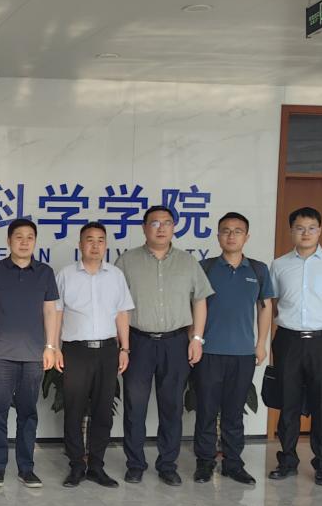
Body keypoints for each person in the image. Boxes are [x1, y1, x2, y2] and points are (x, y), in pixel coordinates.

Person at [115, 205, 213, 487]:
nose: (161, 228)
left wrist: (196, 339)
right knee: (135, 406)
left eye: (167, 223)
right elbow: (118, 305)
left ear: (174, 227)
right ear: (144, 228)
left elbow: (200, 300)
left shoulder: (188, 262)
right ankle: (135, 464)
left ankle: (167, 465)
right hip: (138, 342)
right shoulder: (127, 261)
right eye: (155, 223)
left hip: (176, 343)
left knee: (172, 407)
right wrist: (123, 346)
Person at [268, 207, 322, 487]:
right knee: (288, 403)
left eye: (311, 228)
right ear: (291, 231)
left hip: (321, 342)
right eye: (300, 228)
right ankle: (287, 461)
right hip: (288, 341)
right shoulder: (279, 265)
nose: (306, 233)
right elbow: (275, 303)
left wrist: (316, 322)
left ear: (320, 230)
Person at [193, 212, 274, 485]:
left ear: (246, 237)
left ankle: (233, 464)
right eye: (225, 230)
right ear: (218, 236)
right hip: (209, 353)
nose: (231, 235)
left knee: (234, 412)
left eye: (237, 231)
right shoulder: (205, 268)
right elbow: (194, 306)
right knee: (206, 411)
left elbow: (265, 308)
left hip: (243, 354)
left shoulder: (258, 270)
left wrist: (261, 344)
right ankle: (205, 463)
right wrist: (195, 341)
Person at [0, 218, 58, 488]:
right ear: (9, 241)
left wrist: (50, 346)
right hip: (0, 354)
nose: (24, 242)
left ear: (35, 242)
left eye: (30, 237)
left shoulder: (45, 273)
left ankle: (26, 468)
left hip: (33, 355)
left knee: (28, 413)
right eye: (19, 237)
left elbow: (50, 311)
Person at [53, 221, 134, 489]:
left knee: (103, 411)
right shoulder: (66, 275)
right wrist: (54, 347)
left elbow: (122, 313)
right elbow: (56, 314)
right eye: (90, 240)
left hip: (108, 351)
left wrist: (125, 348)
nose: (95, 245)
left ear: (106, 245)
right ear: (80, 245)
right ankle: (77, 465)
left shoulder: (116, 276)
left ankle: (97, 466)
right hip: (76, 351)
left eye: (100, 240)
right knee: (74, 410)